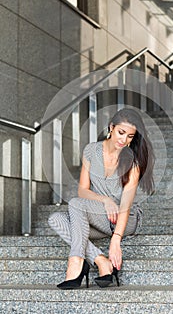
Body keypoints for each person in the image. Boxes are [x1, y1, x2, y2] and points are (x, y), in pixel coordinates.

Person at [48, 108, 155, 289]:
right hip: (100, 216)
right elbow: (83, 190)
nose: (124, 140)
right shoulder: (91, 151)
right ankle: (101, 261)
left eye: (130, 136)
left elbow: (126, 205)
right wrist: (105, 200)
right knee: (56, 219)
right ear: (111, 127)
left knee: (75, 205)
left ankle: (75, 263)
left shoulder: (133, 162)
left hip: (125, 220)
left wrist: (116, 240)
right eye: (121, 133)